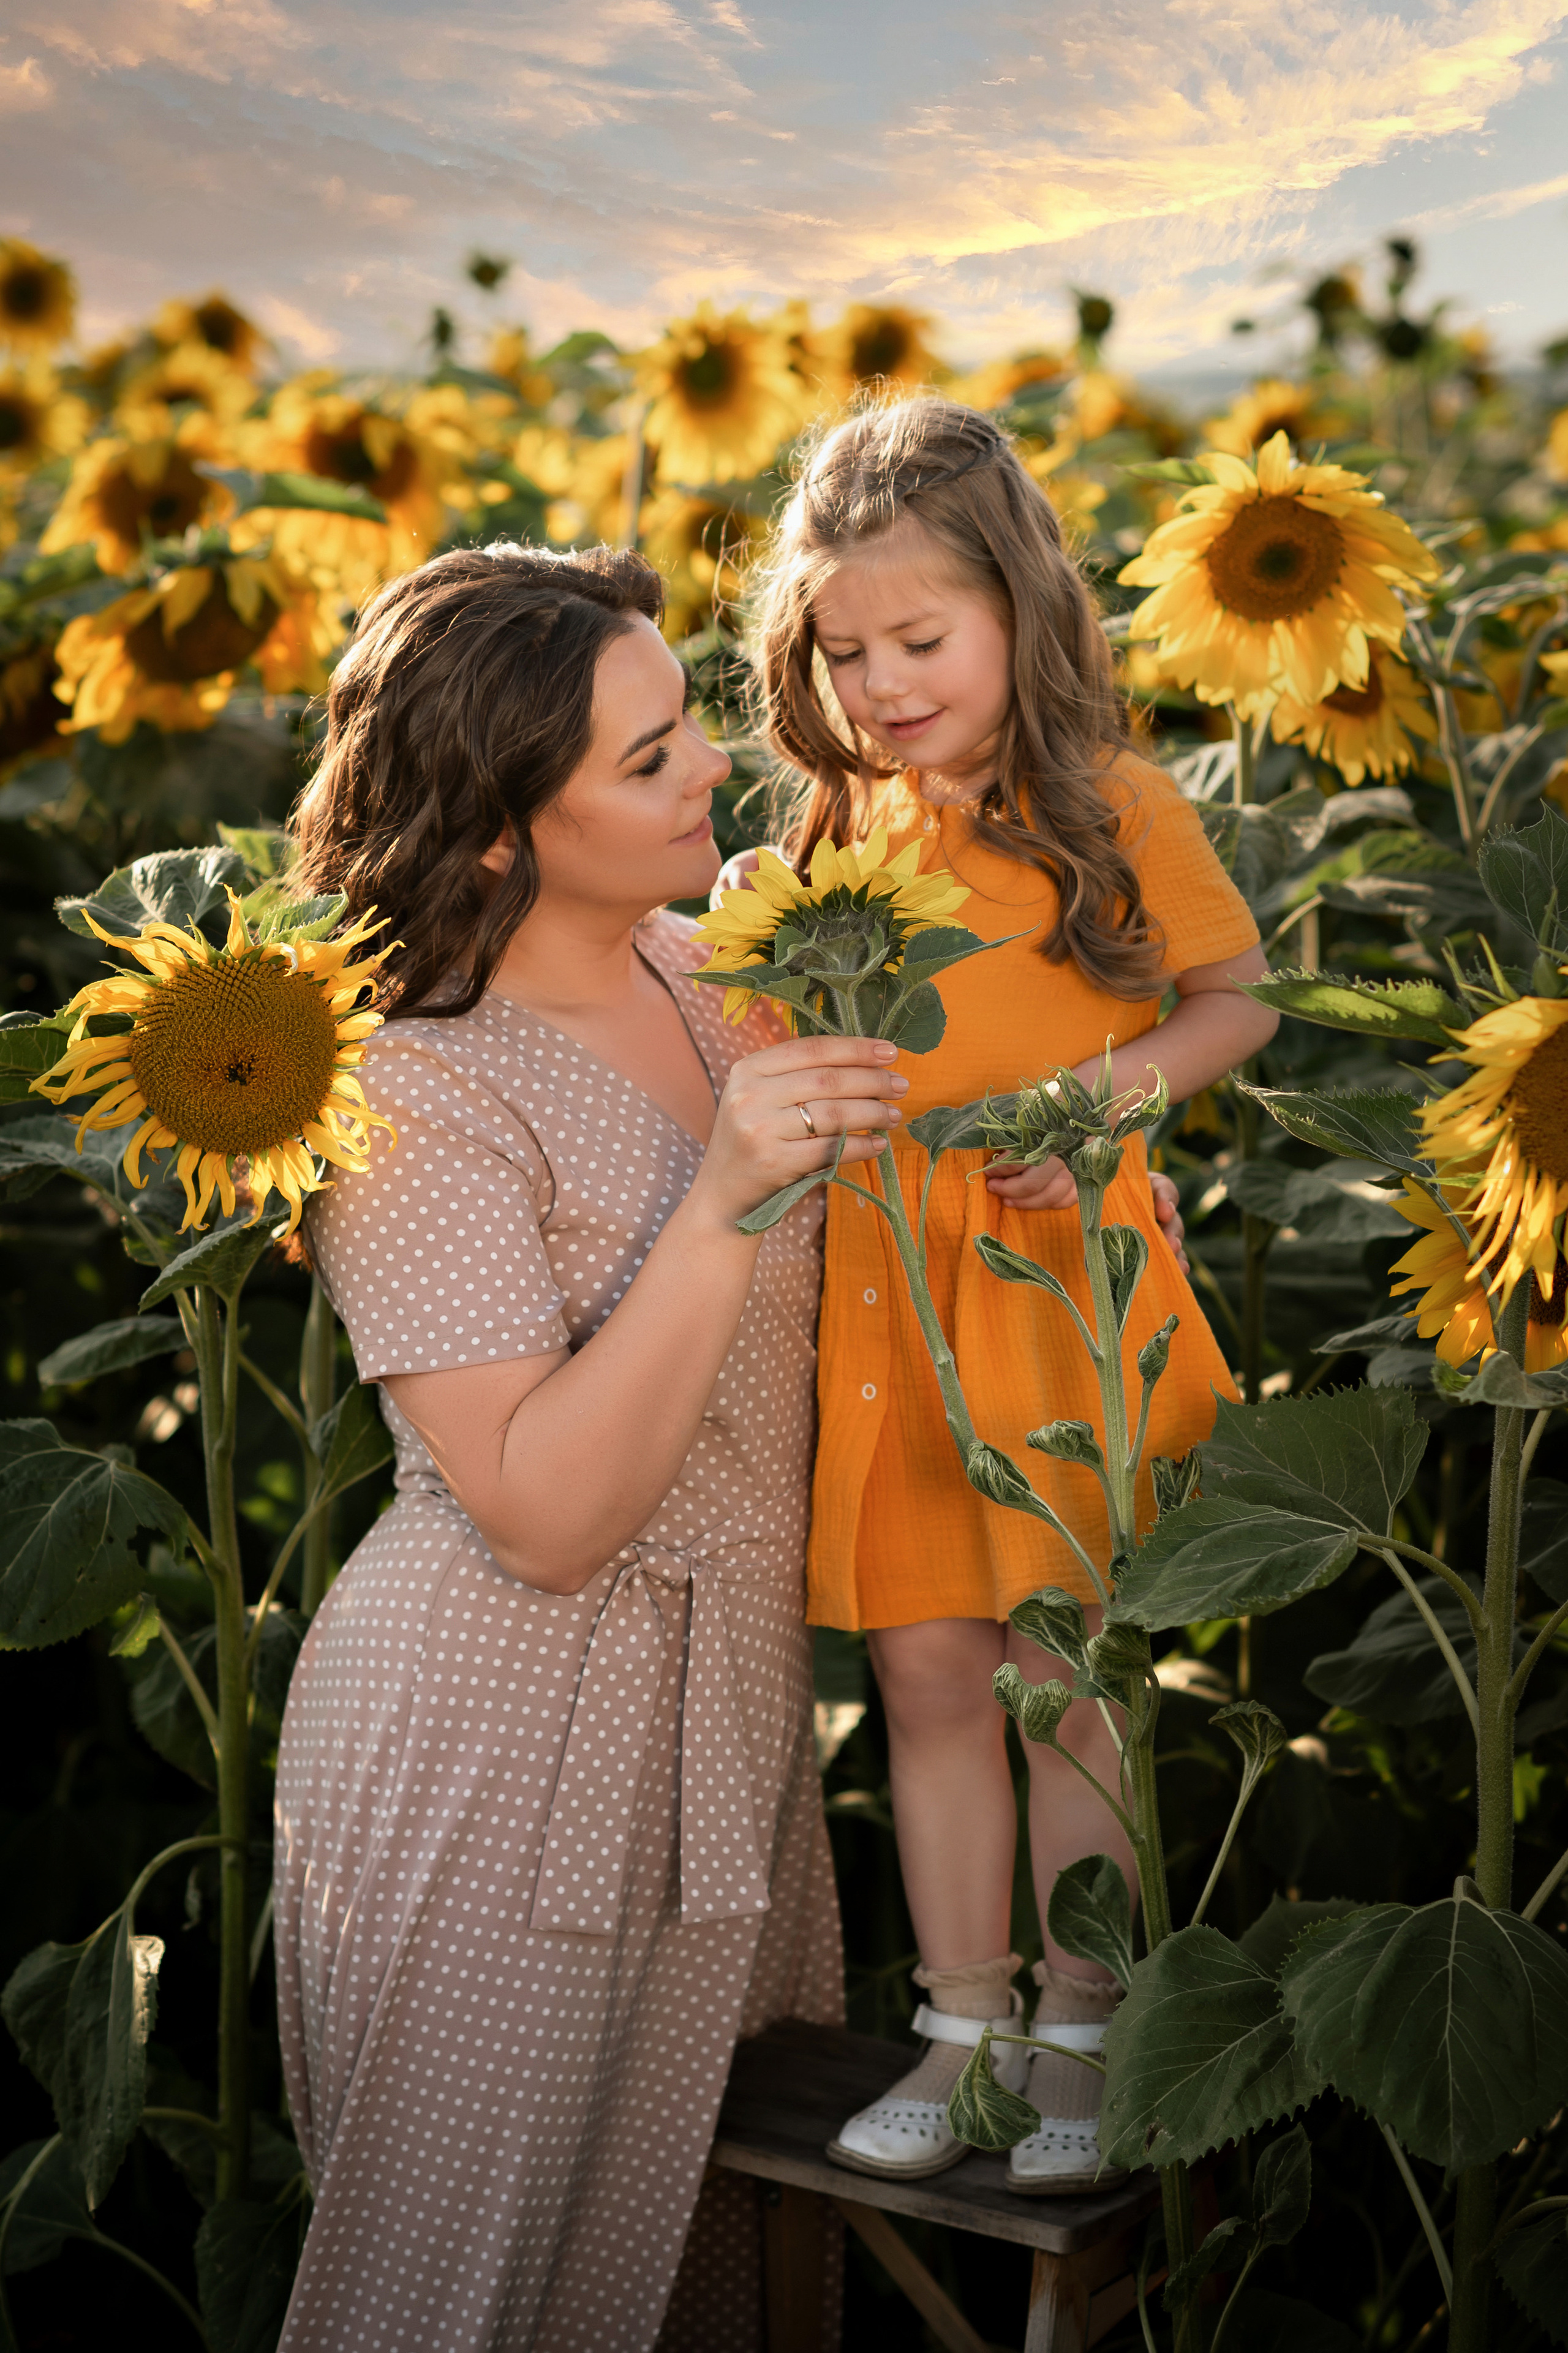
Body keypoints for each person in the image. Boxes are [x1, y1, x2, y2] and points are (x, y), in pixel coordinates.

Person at [271, 543, 907, 2351]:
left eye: (687, 720)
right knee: (461, 2303)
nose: (712, 765)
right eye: (648, 759)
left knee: (703, 2281)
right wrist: (723, 1198)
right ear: (497, 836)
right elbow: (543, 1518)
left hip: (731, 1721)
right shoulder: (412, 1078)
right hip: (502, 1739)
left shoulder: (718, 974)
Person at [733, 396, 1277, 2194]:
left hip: (1058, 1291)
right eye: (845, 652)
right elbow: (778, 1040)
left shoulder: (1110, 803)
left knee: (1069, 1673)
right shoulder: (839, 827)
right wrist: (752, 921)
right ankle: (961, 2029)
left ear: (1020, 613)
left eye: (921, 640)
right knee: (926, 1673)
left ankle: (1084, 2029)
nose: (882, 684)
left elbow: (1236, 998)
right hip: (892, 1304)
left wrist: (1100, 1106)